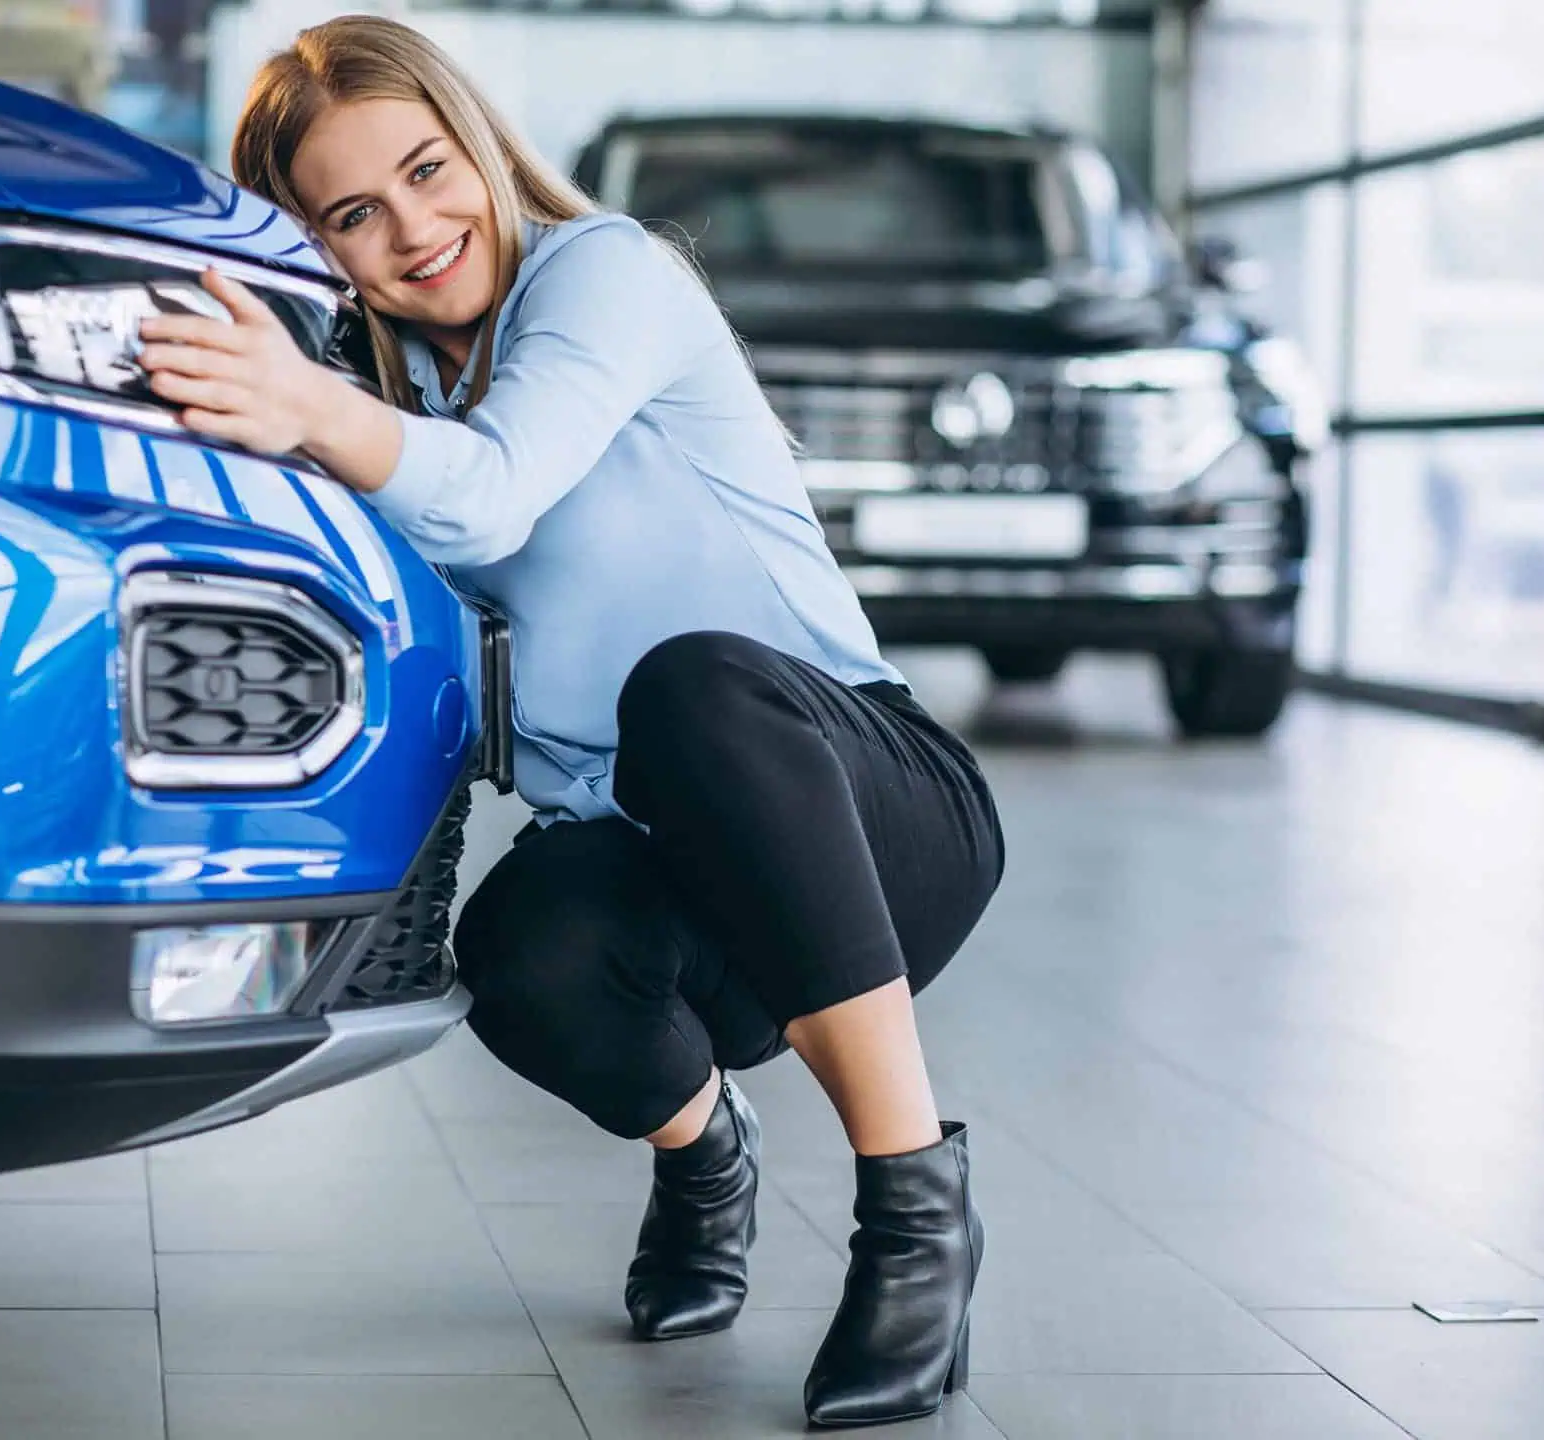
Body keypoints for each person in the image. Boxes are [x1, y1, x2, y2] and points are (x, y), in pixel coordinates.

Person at [133, 17, 1004, 1427]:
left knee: (692, 686)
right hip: (662, 855)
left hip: (869, 806)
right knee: (523, 953)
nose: (413, 229)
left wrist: (304, 410)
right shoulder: (377, 408)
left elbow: (490, 493)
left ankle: (915, 1224)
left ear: (476, 142)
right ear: (317, 247)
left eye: (426, 170)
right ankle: (705, 1147)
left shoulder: (607, 275)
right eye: (355, 212)